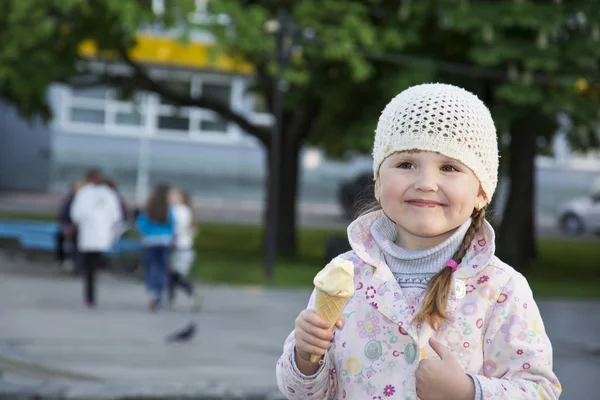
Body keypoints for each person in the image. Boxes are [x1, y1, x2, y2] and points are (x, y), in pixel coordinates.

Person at [276, 84, 561, 399]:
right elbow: (303, 393)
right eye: (406, 164)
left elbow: (540, 391)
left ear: (481, 193)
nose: (425, 183)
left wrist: (469, 392)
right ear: (378, 182)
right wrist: (305, 358)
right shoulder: (344, 276)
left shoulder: (501, 289)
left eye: (449, 167)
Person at [70, 169, 123, 308]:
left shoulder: (83, 194)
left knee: (89, 269)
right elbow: (116, 216)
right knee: (94, 265)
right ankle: (91, 297)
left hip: (88, 236)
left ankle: (89, 298)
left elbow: (76, 215)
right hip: (103, 236)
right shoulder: (109, 194)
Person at [136, 184, 174, 312]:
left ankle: (152, 291)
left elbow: (140, 226)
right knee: (162, 268)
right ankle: (160, 293)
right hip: (165, 242)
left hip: (150, 242)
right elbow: (173, 227)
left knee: (151, 267)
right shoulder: (168, 210)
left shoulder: (149, 209)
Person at [167, 188, 201, 311]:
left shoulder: (177, 211)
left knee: (174, 276)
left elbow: (175, 229)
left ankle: (176, 298)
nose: (170, 199)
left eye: (173, 196)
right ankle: (172, 299)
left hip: (177, 247)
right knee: (174, 275)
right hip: (186, 247)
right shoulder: (188, 211)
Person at [55, 180, 84, 274]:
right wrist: (65, 227)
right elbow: (63, 216)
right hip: (69, 228)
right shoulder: (69, 201)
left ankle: (76, 265)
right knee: (59, 236)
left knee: (78, 241)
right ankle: (61, 261)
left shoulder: (85, 202)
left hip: (80, 230)